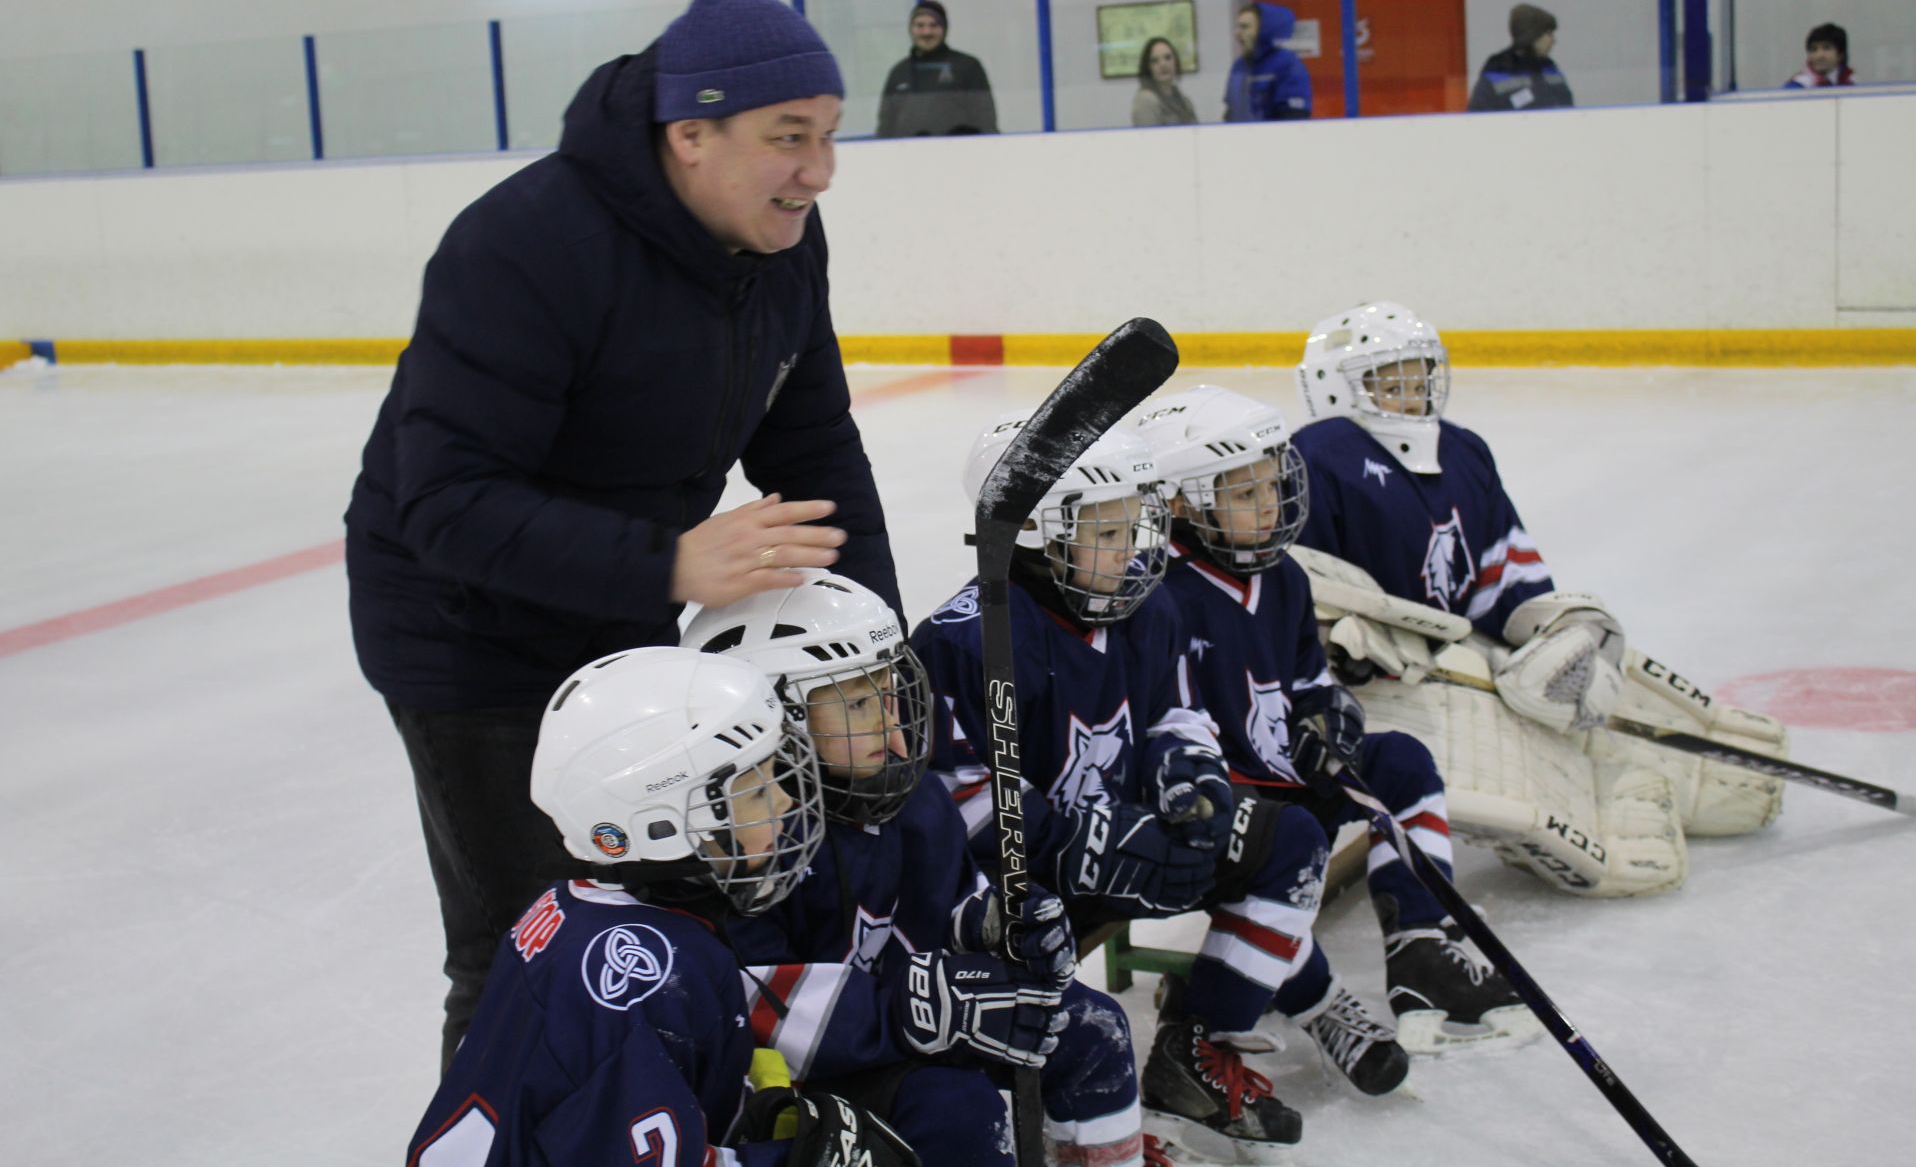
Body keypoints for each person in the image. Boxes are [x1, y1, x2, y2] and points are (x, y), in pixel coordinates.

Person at [344, 0, 902, 1069]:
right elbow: (447, 503)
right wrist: (670, 561)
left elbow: (813, 444)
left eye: (832, 136)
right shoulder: (524, 244)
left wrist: (874, 647)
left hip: (629, 603)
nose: (817, 172)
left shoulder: (786, 244)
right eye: (791, 137)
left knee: (679, 920)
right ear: (691, 133)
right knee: (532, 949)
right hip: (466, 634)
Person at [916, 416, 1328, 1163]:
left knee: (1288, 842)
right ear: (1037, 534)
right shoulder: (964, 638)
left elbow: (1175, 710)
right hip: (1016, 886)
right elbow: (953, 790)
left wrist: (1189, 768)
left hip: (1122, 840)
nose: (1133, 549)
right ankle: (1076, 1133)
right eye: (1105, 532)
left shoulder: (1150, 605)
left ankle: (1194, 1047)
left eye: (1136, 525)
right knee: (1066, 1010)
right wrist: (1074, 845)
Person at [1289, 300, 1789, 897]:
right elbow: (1308, 596)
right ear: (1335, 388)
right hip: (1398, 678)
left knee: (1581, 691)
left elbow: (1506, 570)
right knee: (1514, 752)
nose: (1414, 394)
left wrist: (1553, 635)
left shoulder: (1463, 450)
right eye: (1391, 382)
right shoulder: (1319, 458)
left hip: (1465, 650)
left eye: (1421, 377)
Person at [687, 572, 1171, 1167]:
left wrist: (994, 921)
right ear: (768, 715)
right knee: (958, 1109)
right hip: (802, 1080)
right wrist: (917, 1010)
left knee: (1092, 1027)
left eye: (890, 693)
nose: (892, 727)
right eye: (859, 703)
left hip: (905, 1027)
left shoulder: (905, 797)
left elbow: (945, 899)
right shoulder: (743, 841)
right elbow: (761, 1006)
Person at [1134, 384, 1536, 1057]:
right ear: (1178, 502)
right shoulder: (1160, 597)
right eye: (1244, 495)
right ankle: (1257, 1006)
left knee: (1401, 760)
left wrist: (1329, 713)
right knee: (1283, 847)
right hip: (1217, 805)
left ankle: (1421, 949)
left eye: (1271, 488)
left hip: (1284, 776)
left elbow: (1306, 680)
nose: (1270, 507)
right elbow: (1161, 727)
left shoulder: (1282, 575)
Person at [407, 646, 920, 1167]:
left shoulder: (583, 911)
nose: (786, 801)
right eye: (756, 790)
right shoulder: (645, 975)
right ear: (662, 822)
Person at [875, 0, 999, 138]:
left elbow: (985, 118)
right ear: (911, 29)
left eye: (934, 25)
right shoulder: (898, 72)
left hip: (958, 154)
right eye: (920, 25)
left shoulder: (968, 66)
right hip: (908, 155)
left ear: (944, 29)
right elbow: (885, 124)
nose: (926, 32)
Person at [1467, 3, 1574, 112]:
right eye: (1549, 34)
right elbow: (1477, 118)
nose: (1553, 41)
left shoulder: (1550, 68)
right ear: (1533, 37)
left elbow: (1568, 108)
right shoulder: (1498, 69)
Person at [1223, 2, 1311, 122]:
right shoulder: (1239, 67)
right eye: (1238, 26)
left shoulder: (1288, 65)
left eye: (1245, 27)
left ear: (1264, 30)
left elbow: (1295, 120)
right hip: (1240, 139)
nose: (1237, 32)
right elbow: (1230, 112)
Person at [1131, 36, 1197, 127]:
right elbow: (1148, 139)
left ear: (1176, 62)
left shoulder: (1184, 101)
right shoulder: (1146, 100)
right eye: (1155, 61)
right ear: (1148, 67)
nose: (1163, 64)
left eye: (1168, 58)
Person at [1785, 23, 1855, 88]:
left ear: (1840, 55)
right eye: (1814, 49)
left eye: (1826, 48)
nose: (1819, 56)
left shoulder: (1851, 84)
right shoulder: (1797, 86)